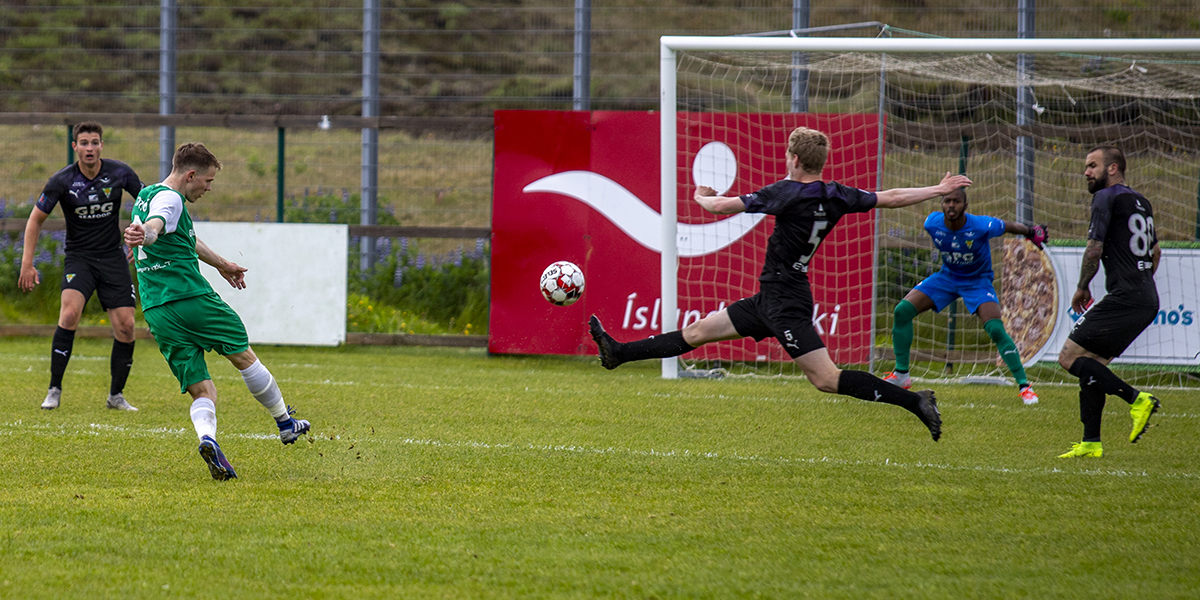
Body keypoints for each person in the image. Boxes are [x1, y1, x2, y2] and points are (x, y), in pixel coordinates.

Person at [589, 126, 972, 442]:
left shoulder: (787, 192)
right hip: (774, 296)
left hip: (785, 302)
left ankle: (916, 401)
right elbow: (890, 197)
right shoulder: (837, 194)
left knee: (826, 379)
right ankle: (618, 353)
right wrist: (937, 190)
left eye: (788, 155)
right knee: (697, 330)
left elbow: (722, 207)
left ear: (794, 159)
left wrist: (701, 195)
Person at [123, 142, 311, 480]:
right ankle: (285, 423)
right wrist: (146, 234)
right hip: (191, 299)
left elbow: (180, 237)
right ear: (190, 175)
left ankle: (207, 440)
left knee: (202, 389)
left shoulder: (147, 195)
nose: (209, 188)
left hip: (156, 310)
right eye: (208, 181)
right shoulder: (170, 200)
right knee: (243, 356)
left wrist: (223, 264)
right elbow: (155, 227)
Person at [883, 187, 1048, 405]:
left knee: (995, 329)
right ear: (941, 204)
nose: (951, 205)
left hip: (977, 281)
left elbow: (1007, 226)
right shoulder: (932, 223)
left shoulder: (980, 225)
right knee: (902, 311)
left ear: (965, 205)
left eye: (956, 201)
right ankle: (901, 375)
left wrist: (1029, 231)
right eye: (947, 201)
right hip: (947, 277)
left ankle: (1025, 387)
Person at [19, 122, 143, 412]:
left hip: (113, 258)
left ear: (102, 145)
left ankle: (116, 396)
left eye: (95, 142)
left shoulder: (120, 173)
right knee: (70, 313)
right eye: (84, 143)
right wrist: (27, 263)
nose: (90, 148)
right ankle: (54, 389)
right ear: (74, 147)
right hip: (79, 258)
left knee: (126, 326)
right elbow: (35, 220)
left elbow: (147, 203)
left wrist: (140, 237)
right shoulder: (61, 181)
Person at [1056, 145, 1161, 459]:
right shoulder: (1142, 202)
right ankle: (1091, 442)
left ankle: (1137, 399)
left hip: (1127, 297)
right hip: (1145, 297)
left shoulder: (1105, 197)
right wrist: (1142, 281)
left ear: (1112, 168)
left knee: (1068, 357)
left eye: (1092, 166)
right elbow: (1155, 252)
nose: (1086, 172)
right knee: (1093, 365)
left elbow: (1094, 248)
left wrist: (1081, 287)